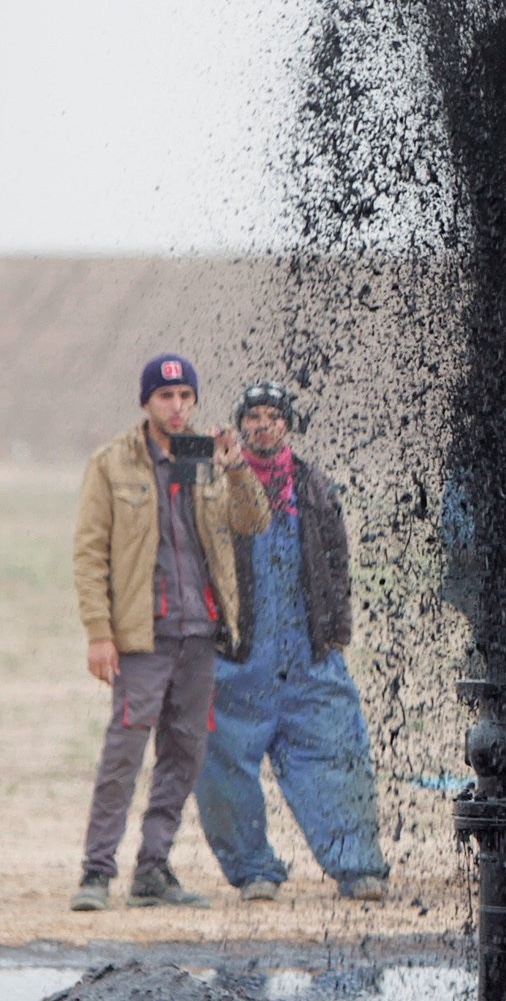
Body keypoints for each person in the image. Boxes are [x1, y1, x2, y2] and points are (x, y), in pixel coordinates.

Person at [70, 355, 270, 911]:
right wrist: (98, 633)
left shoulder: (203, 458)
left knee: (184, 752)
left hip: (199, 632)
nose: (178, 407)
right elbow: (89, 555)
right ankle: (95, 872)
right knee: (123, 755)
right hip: (142, 636)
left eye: (186, 397)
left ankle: (152, 870)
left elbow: (254, 522)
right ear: (146, 402)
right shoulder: (112, 463)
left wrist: (235, 467)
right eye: (166, 397)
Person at [192, 383, 390, 903]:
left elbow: (337, 566)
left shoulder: (316, 487)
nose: (262, 424)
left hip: (309, 654)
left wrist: (333, 633)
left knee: (336, 753)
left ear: (288, 424)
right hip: (237, 656)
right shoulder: (212, 483)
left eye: (272, 416)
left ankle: (358, 867)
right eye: (251, 416)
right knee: (221, 762)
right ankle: (253, 870)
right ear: (239, 427)